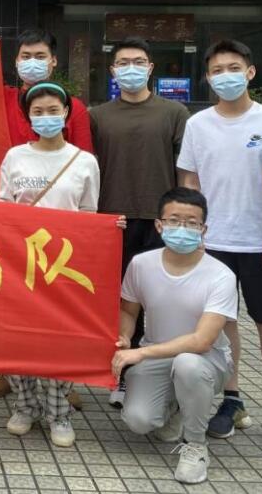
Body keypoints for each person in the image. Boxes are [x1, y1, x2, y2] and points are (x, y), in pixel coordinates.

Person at [176, 39, 262, 454]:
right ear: (207, 77)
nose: (225, 76)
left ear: (250, 72)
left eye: (233, 68)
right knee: (223, 325)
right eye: (217, 70)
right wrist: (195, 236)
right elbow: (189, 182)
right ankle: (231, 400)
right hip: (212, 243)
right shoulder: (198, 124)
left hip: (261, 243)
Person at [0, 29, 94, 401]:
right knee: (9, 300)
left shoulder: (73, 107)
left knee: (58, 303)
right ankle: (5, 371)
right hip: (10, 212)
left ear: (54, 61)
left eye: (40, 55)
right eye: (25, 56)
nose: (32, 62)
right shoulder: (0, 99)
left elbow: (84, 160)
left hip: (58, 221)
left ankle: (61, 378)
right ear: (15, 62)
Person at [0, 82, 106, 448]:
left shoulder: (84, 161)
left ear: (66, 113)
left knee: (60, 339)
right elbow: (3, 207)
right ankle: (25, 405)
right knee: (18, 338)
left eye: (53, 110)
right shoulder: (15, 157)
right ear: (28, 117)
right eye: (38, 112)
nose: (46, 117)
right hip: (20, 263)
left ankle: (59, 413)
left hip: (63, 266)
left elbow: (89, 214)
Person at [90, 36, 190, 407]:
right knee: (119, 302)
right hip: (113, 221)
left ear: (150, 68)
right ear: (113, 70)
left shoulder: (174, 113)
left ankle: (159, 377)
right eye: (123, 63)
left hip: (160, 222)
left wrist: (180, 218)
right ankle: (121, 374)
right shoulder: (97, 116)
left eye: (138, 62)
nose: (130, 68)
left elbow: (185, 170)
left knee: (158, 300)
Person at [115, 187, 237, 485]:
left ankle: (195, 445)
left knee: (187, 365)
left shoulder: (221, 275)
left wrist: (139, 353)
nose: (182, 228)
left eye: (191, 222)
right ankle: (178, 407)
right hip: (157, 354)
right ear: (159, 225)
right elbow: (128, 310)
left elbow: (202, 341)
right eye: (173, 220)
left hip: (206, 360)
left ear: (203, 229)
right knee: (139, 420)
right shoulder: (141, 264)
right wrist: (125, 337)